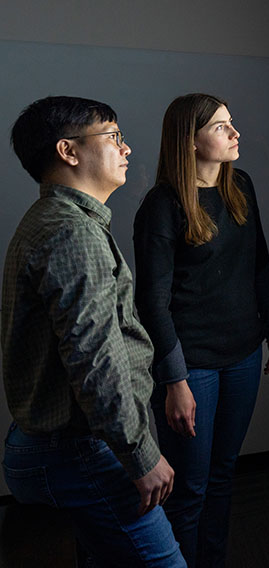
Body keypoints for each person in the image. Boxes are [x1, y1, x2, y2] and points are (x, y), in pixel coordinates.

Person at [1, 96, 186, 567]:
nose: (126, 149)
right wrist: (140, 453)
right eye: (113, 137)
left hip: (63, 442)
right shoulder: (71, 232)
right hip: (79, 449)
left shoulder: (61, 221)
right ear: (68, 151)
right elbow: (95, 359)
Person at [133, 94, 269, 568]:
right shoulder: (161, 206)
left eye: (231, 123)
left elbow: (259, 262)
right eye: (222, 126)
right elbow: (152, 303)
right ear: (190, 140)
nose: (235, 133)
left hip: (242, 353)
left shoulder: (241, 184)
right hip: (191, 364)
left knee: (222, 477)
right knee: (190, 489)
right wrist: (175, 381)